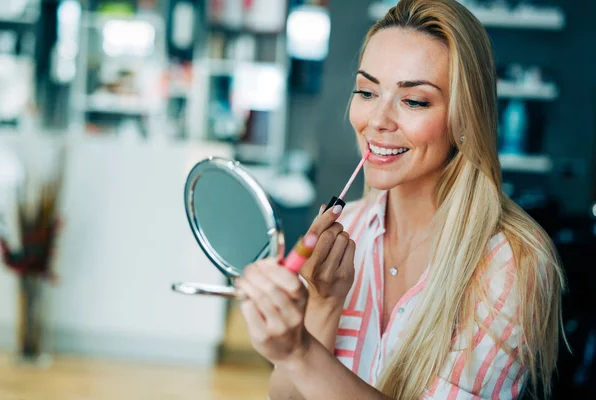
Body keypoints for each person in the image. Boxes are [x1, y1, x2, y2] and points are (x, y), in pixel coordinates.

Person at [234, 0, 565, 398]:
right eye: (367, 91)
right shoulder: (348, 230)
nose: (378, 120)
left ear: (465, 117)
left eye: (414, 101)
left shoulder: (511, 262)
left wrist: (300, 351)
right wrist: (323, 303)